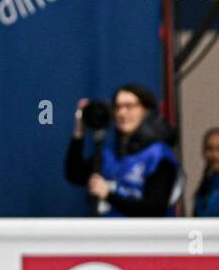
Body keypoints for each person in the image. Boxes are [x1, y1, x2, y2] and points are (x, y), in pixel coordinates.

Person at [65, 83, 179, 216]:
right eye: (117, 107)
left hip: (144, 234)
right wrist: (79, 132)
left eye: (129, 106)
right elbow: (74, 174)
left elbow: (155, 210)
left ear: (146, 110)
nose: (122, 113)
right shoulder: (109, 153)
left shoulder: (158, 155)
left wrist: (108, 194)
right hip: (109, 233)